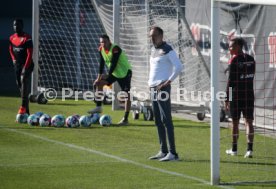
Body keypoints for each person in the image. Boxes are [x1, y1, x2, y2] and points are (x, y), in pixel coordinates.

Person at [148, 26, 183, 161]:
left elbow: (179, 66)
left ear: (161, 36)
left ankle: (173, 153)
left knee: (166, 119)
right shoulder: (153, 50)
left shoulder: (168, 50)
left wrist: (167, 82)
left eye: (155, 35)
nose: (152, 38)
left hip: (162, 88)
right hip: (153, 88)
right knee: (157, 120)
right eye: (150, 36)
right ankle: (163, 151)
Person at [88, 34, 132, 126]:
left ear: (109, 41)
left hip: (125, 72)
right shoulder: (101, 49)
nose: (102, 44)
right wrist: (98, 78)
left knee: (126, 95)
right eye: (101, 42)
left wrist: (108, 75)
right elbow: (101, 64)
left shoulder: (115, 48)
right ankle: (98, 107)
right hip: (114, 73)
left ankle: (125, 119)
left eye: (104, 42)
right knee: (99, 83)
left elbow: (114, 63)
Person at [225, 37, 255, 158]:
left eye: (231, 46)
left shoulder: (233, 60)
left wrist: (228, 98)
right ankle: (249, 150)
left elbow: (230, 83)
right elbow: (251, 77)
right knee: (249, 122)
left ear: (238, 46)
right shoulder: (251, 59)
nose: (229, 48)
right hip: (249, 95)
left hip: (236, 96)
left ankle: (234, 149)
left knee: (235, 123)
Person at [9, 19, 34, 115]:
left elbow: (29, 54)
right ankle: (27, 112)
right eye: (14, 25)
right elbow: (10, 49)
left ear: (22, 26)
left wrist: (25, 68)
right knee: (20, 85)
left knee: (23, 80)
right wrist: (13, 59)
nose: (16, 27)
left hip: (27, 64)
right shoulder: (11, 38)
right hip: (17, 65)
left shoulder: (27, 38)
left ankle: (23, 107)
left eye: (18, 25)